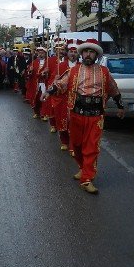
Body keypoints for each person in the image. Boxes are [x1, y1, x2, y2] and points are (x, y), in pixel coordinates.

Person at [55, 38, 124, 194]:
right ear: (82, 53)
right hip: (77, 114)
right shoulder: (73, 71)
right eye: (85, 51)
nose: (88, 54)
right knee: (76, 146)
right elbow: (60, 84)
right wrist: (48, 92)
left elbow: (114, 89)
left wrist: (120, 106)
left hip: (96, 116)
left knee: (91, 147)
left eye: (91, 52)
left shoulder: (104, 72)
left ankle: (87, 178)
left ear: (96, 55)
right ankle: (82, 167)